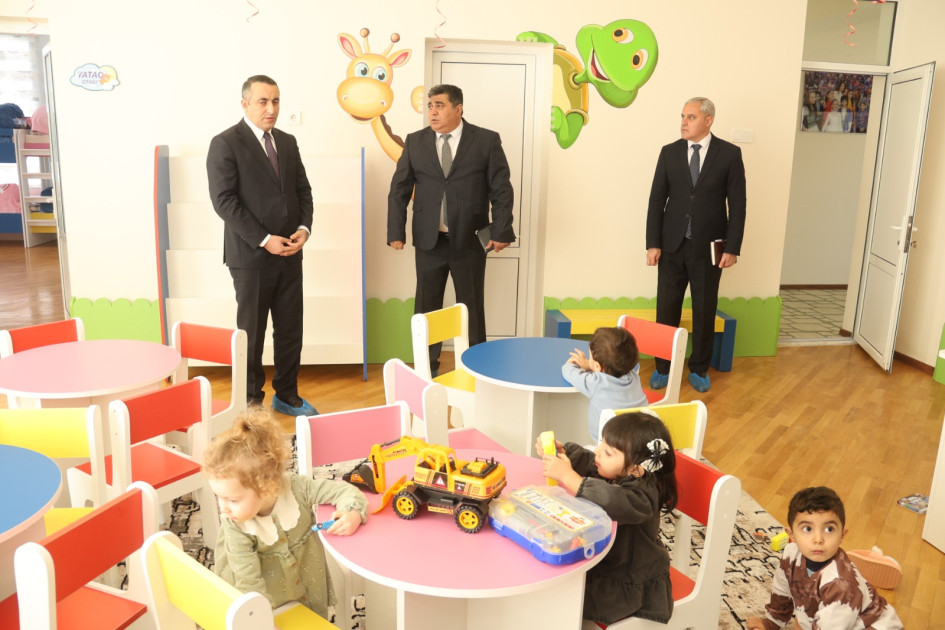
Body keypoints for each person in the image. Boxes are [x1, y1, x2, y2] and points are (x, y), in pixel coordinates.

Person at [207, 74, 317, 416]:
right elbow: (224, 201)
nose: (271, 109)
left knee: (290, 330)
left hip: (290, 254)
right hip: (250, 256)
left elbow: (303, 191)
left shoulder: (287, 142)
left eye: (276, 101)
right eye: (263, 101)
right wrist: (265, 240)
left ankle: (286, 394)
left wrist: (304, 229)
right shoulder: (225, 143)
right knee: (251, 335)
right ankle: (250, 401)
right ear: (245, 104)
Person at [387, 84, 515, 375]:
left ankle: (476, 367)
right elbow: (399, 189)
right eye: (430, 106)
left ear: (458, 109)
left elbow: (501, 190)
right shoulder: (415, 141)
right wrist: (396, 231)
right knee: (426, 308)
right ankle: (425, 368)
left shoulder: (486, 140)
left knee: (471, 307)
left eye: (440, 105)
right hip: (429, 240)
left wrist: (501, 230)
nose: (433, 112)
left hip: (469, 240)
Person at [203, 408, 368, 618]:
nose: (223, 508)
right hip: (266, 602)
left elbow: (344, 491)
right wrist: (261, 620)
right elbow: (249, 584)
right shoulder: (234, 525)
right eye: (219, 497)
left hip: (308, 584)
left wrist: (352, 513)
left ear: (267, 488)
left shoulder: (297, 488)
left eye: (232, 500)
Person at [538, 411, 677, 627]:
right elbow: (592, 466)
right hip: (604, 562)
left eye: (608, 452)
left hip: (624, 581)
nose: (597, 451)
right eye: (601, 443)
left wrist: (568, 476)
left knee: (554, 597)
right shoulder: (619, 472)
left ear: (636, 469)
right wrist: (565, 454)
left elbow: (611, 499)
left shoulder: (642, 496)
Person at [645, 97, 746, 393]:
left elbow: (738, 204)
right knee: (666, 309)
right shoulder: (669, 153)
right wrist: (653, 243)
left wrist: (732, 247)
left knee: (704, 309)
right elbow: (656, 200)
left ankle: (699, 368)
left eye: (690, 117)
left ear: (708, 120)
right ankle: (663, 367)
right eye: (682, 116)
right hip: (671, 246)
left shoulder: (729, 154)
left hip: (710, 247)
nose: (684, 122)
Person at [746, 486, 903, 630]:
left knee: (803, 622)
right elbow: (782, 590)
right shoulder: (791, 553)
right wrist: (772, 622)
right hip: (835, 615)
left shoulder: (840, 586)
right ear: (791, 535)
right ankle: (875, 559)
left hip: (874, 626)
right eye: (807, 528)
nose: (818, 539)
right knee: (803, 620)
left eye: (829, 529)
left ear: (842, 535)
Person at [561, 326, 649, 442]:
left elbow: (568, 372)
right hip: (637, 438)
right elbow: (605, 369)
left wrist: (571, 363)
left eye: (590, 357)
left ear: (598, 366)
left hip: (607, 446)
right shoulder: (633, 376)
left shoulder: (596, 383)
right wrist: (591, 365)